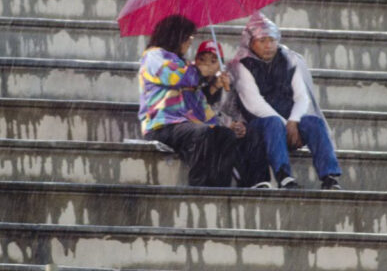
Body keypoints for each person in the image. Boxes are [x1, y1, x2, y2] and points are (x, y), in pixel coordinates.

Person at [138, 15, 267, 187]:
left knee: (224, 135)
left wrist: (224, 125)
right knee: (203, 134)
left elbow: (200, 105)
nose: (189, 43)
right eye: (188, 38)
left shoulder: (183, 64)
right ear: (175, 37)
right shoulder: (153, 56)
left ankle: (220, 189)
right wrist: (201, 72)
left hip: (185, 125)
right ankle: (199, 189)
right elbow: (177, 77)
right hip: (161, 126)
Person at [225, 12, 342, 190]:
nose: (268, 46)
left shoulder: (288, 59)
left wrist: (294, 120)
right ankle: (284, 176)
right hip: (260, 127)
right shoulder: (241, 65)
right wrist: (286, 125)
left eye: (272, 40)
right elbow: (254, 103)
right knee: (273, 123)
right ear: (251, 42)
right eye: (262, 40)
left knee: (314, 123)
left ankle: (329, 176)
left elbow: (301, 96)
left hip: (290, 124)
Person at [194, 40, 271, 188]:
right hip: (207, 130)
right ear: (196, 61)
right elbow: (202, 111)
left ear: (220, 64)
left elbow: (235, 109)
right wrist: (228, 123)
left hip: (227, 126)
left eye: (213, 61)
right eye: (202, 60)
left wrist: (240, 124)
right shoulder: (191, 81)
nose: (207, 64)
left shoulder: (226, 83)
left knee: (253, 132)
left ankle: (260, 181)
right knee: (225, 136)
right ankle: (240, 180)